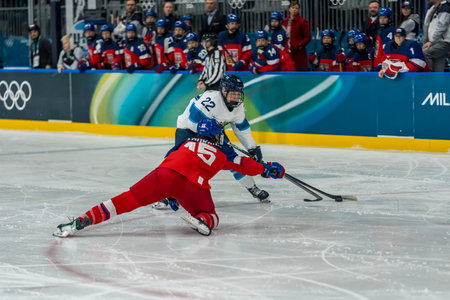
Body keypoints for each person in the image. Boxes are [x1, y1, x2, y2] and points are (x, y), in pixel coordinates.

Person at [53, 117, 285, 238]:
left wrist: (168, 192)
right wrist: (269, 169)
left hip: (163, 175)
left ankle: (82, 221)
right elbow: (246, 166)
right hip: (193, 185)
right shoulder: (221, 153)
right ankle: (202, 220)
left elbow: (168, 160)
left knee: (125, 201)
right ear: (216, 136)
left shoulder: (184, 143)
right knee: (211, 215)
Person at [178, 75, 271, 203]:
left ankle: (252, 188)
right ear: (223, 91)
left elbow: (242, 130)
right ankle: (168, 195)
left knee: (233, 160)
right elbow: (193, 120)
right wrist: (211, 136)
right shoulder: (211, 100)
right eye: (232, 94)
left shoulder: (238, 107)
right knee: (181, 163)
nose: (235, 97)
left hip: (214, 132)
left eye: (238, 94)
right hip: (188, 130)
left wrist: (252, 148)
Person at [282, 1, 311, 71]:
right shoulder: (284, 21)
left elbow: (308, 37)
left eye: (296, 8)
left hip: (298, 53)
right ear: (289, 9)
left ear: (298, 10)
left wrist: (299, 44)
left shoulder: (302, 21)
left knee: (299, 72)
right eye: (293, 8)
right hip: (286, 52)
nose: (294, 10)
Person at [422, 0, 450, 72]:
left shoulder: (445, 7)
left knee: (426, 52)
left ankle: (428, 77)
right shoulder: (435, 7)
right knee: (438, 63)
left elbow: (442, 26)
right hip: (437, 42)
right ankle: (438, 81)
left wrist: (431, 41)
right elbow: (427, 25)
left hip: (444, 42)